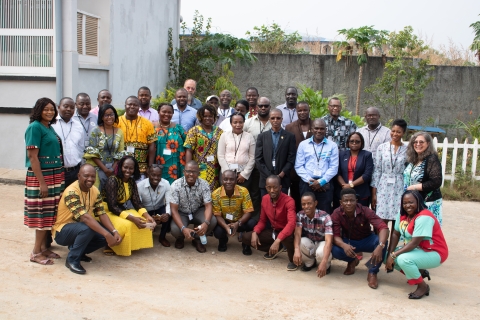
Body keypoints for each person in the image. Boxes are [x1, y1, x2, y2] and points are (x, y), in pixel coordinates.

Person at [52, 164, 122, 274]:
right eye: (86, 176)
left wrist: (113, 232)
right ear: (79, 176)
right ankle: (72, 260)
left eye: (93, 176)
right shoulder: (71, 192)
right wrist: (107, 235)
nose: (90, 179)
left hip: (81, 227)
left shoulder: (94, 190)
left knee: (103, 233)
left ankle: (79, 252)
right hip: (62, 232)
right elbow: (85, 218)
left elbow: (101, 213)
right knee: (89, 228)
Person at [386, 191, 448, 299]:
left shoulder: (424, 216)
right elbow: (396, 233)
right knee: (385, 256)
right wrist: (389, 254)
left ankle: (422, 286)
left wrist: (393, 255)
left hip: (434, 252)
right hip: (419, 250)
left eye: (411, 202)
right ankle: (419, 273)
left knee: (403, 259)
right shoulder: (402, 214)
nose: (407, 205)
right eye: (404, 203)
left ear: (418, 201)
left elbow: (414, 243)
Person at [24, 97, 64, 265]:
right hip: (43, 176)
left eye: (52, 109)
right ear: (38, 110)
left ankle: (43, 248)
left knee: (50, 215)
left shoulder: (49, 127)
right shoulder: (34, 128)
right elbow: (33, 157)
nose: (49, 112)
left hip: (54, 176)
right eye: (46, 109)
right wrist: (42, 183)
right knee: (43, 215)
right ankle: (35, 252)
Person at [331, 188, 388, 289]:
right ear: (341, 202)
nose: (349, 203)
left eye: (352, 200)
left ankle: (372, 272)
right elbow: (335, 236)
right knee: (334, 249)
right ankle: (352, 260)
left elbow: (383, 227)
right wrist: (344, 245)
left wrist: (380, 246)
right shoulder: (336, 213)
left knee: (382, 242)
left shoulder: (365, 210)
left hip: (367, 239)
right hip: (349, 242)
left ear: (356, 201)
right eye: (346, 201)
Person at [102, 156, 156, 256]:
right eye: (125, 167)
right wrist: (132, 218)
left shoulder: (131, 182)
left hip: (119, 209)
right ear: (120, 167)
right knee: (127, 224)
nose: (128, 170)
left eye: (131, 168)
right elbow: (112, 206)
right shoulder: (112, 180)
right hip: (105, 211)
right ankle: (111, 245)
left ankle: (131, 245)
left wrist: (148, 216)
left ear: (134, 169)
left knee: (143, 220)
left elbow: (137, 203)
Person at [241, 176, 298, 271]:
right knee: (246, 237)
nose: (272, 190)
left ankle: (293, 260)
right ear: (265, 187)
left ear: (280, 187)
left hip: (287, 233)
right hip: (274, 232)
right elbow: (262, 221)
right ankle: (275, 249)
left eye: (275, 187)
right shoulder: (265, 199)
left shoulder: (289, 201)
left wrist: (278, 240)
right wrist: (255, 232)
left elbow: (291, 224)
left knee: (288, 237)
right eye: (269, 187)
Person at [169, 161, 218, 253]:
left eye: (194, 172)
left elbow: (208, 206)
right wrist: (183, 228)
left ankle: (197, 239)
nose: (191, 174)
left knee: (212, 220)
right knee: (175, 229)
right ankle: (180, 237)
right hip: (182, 212)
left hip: (197, 211)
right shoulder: (175, 185)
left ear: (198, 173)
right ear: (184, 172)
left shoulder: (204, 184)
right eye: (188, 171)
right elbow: (174, 210)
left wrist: (206, 223)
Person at [295, 119, 338, 214]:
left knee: (324, 211)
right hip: (307, 184)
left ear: (326, 130)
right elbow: (298, 166)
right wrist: (311, 182)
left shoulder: (332, 146)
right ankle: (307, 229)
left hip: (325, 184)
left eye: (322, 128)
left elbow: (334, 167)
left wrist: (321, 182)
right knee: (307, 211)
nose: (319, 131)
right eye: (316, 128)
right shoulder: (303, 145)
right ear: (312, 129)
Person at [371, 119, 408, 229]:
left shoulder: (407, 149)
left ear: (403, 133)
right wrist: (374, 193)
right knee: (382, 220)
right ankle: (382, 245)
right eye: (393, 131)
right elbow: (377, 170)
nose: (395, 134)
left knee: (397, 220)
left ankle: (392, 246)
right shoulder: (382, 148)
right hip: (383, 185)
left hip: (399, 185)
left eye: (398, 132)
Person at [403, 132, 443, 225]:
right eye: (415, 142)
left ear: (428, 144)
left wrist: (414, 187)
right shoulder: (412, 159)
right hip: (412, 202)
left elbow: (436, 182)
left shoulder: (431, 159)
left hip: (428, 202)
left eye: (421, 142)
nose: (418, 144)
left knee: (426, 233)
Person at [212, 170, 256, 253]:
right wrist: (225, 226)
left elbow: (248, 212)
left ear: (236, 180)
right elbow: (217, 215)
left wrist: (237, 223)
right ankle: (223, 240)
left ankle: (246, 242)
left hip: (240, 221)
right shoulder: (215, 194)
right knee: (218, 231)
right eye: (225, 179)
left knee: (252, 223)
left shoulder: (243, 191)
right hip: (225, 221)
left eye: (231, 179)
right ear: (222, 180)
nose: (228, 182)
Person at [255, 108, 296, 197]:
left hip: (283, 180)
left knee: (282, 207)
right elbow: (258, 159)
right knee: (267, 206)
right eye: (273, 118)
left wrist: (282, 174)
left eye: (278, 118)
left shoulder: (290, 136)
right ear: (269, 119)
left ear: (282, 119)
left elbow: (291, 158)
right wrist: (270, 176)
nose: (275, 120)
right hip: (265, 180)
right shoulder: (262, 137)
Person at [84, 105, 125, 192]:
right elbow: (92, 152)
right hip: (97, 168)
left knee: (111, 194)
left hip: (113, 169)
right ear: (102, 117)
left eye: (112, 114)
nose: (109, 117)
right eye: (106, 115)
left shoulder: (120, 131)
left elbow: (120, 153)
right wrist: (105, 169)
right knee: (96, 193)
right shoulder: (95, 131)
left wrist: (112, 169)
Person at [243, 96, 272, 218]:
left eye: (266, 106)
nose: (263, 108)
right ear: (256, 107)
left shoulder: (275, 121)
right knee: (254, 194)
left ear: (270, 107)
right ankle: (253, 221)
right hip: (253, 167)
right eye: (261, 106)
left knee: (269, 195)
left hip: (270, 168)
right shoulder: (248, 123)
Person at [184, 104, 223, 192]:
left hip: (215, 168)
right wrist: (189, 168)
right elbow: (189, 150)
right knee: (199, 190)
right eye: (205, 116)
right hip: (199, 168)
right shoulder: (194, 131)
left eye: (210, 116)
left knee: (213, 192)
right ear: (200, 117)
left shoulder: (219, 131)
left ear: (214, 117)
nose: (208, 118)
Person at [293, 192, 333, 276]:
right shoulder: (300, 215)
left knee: (320, 252)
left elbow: (328, 241)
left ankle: (326, 266)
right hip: (310, 242)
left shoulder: (325, 217)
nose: (306, 206)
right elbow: (297, 234)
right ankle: (310, 263)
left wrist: (324, 262)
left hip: (322, 243)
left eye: (309, 203)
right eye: (303, 204)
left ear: (315, 203)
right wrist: (296, 250)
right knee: (300, 242)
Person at [117, 96, 157, 177]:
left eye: (135, 105)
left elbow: (152, 145)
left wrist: (150, 166)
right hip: (121, 168)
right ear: (125, 106)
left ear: (139, 107)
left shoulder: (147, 123)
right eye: (129, 104)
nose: (132, 106)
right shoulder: (117, 122)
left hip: (141, 169)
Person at [285, 101, 314, 211]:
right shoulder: (289, 127)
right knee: (297, 199)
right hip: (295, 171)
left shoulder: (315, 125)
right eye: (300, 110)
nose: (302, 112)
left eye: (305, 110)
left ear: (309, 111)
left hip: (314, 171)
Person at [52, 97, 84, 188]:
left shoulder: (78, 125)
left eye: (72, 107)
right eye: (65, 106)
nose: (69, 109)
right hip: (58, 170)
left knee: (73, 199)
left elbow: (81, 148)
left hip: (75, 171)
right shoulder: (51, 124)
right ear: (58, 107)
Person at [217, 112, 256, 189]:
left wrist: (244, 174)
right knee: (226, 196)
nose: (238, 125)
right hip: (226, 172)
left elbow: (252, 157)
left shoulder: (249, 137)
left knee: (241, 197)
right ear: (231, 123)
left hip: (243, 174)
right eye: (235, 122)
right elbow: (220, 155)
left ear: (244, 123)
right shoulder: (224, 135)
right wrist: (227, 173)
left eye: (240, 122)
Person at [137, 164, 172, 247]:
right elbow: (138, 204)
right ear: (148, 174)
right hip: (146, 210)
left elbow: (169, 202)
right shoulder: (140, 186)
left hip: (159, 208)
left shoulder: (166, 184)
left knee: (168, 214)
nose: (156, 178)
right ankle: (145, 235)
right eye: (153, 175)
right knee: (140, 216)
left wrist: (167, 214)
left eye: (158, 175)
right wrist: (147, 216)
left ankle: (162, 237)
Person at [336, 132, 374, 207]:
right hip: (343, 191)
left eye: (357, 141)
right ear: (348, 142)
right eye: (352, 141)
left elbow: (367, 174)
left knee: (361, 216)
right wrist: (345, 186)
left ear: (362, 143)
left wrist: (351, 185)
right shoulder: (341, 154)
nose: (354, 143)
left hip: (361, 191)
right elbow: (337, 172)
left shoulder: (367, 155)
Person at [155, 103, 187, 184]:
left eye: (169, 112)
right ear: (158, 112)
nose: (167, 114)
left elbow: (188, 145)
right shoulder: (152, 127)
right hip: (158, 165)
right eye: (164, 112)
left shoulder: (178, 128)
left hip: (177, 166)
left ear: (173, 113)